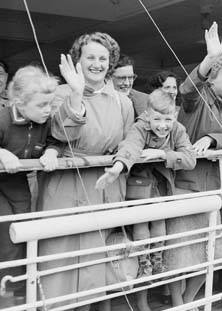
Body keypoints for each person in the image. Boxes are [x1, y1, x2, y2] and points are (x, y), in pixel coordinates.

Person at [38, 32, 134, 310]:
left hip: (103, 185)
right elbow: (58, 134)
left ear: (111, 62)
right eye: (90, 57)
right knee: (59, 260)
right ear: (77, 60)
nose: (97, 64)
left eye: (103, 58)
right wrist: (77, 94)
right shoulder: (60, 93)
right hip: (64, 186)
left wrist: (122, 161)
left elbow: (129, 140)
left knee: (94, 264)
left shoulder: (122, 102)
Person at [95, 89, 196, 311]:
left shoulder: (177, 130)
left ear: (175, 116)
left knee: (159, 223)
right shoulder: (140, 127)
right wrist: (117, 167)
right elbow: (129, 146)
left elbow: (190, 158)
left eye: (167, 119)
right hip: (139, 182)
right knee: (141, 223)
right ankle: (144, 262)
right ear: (147, 115)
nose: (162, 125)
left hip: (161, 184)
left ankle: (156, 260)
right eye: (157, 119)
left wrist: (163, 155)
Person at [165, 22, 222, 308]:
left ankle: (188, 300)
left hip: (214, 189)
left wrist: (211, 137)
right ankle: (179, 302)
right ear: (213, 80)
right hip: (185, 185)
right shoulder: (197, 98)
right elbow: (187, 89)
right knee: (180, 253)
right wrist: (209, 59)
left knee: (211, 252)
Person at [0, 65, 61, 295]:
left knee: (23, 231)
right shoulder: (2, 119)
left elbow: (56, 141)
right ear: (19, 104)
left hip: (17, 183)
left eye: (50, 104)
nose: (48, 110)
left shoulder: (45, 122)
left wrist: (51, 153)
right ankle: (5, 292)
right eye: (41, 105)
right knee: (6, 233)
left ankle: (17, 291)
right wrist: (2, 153)